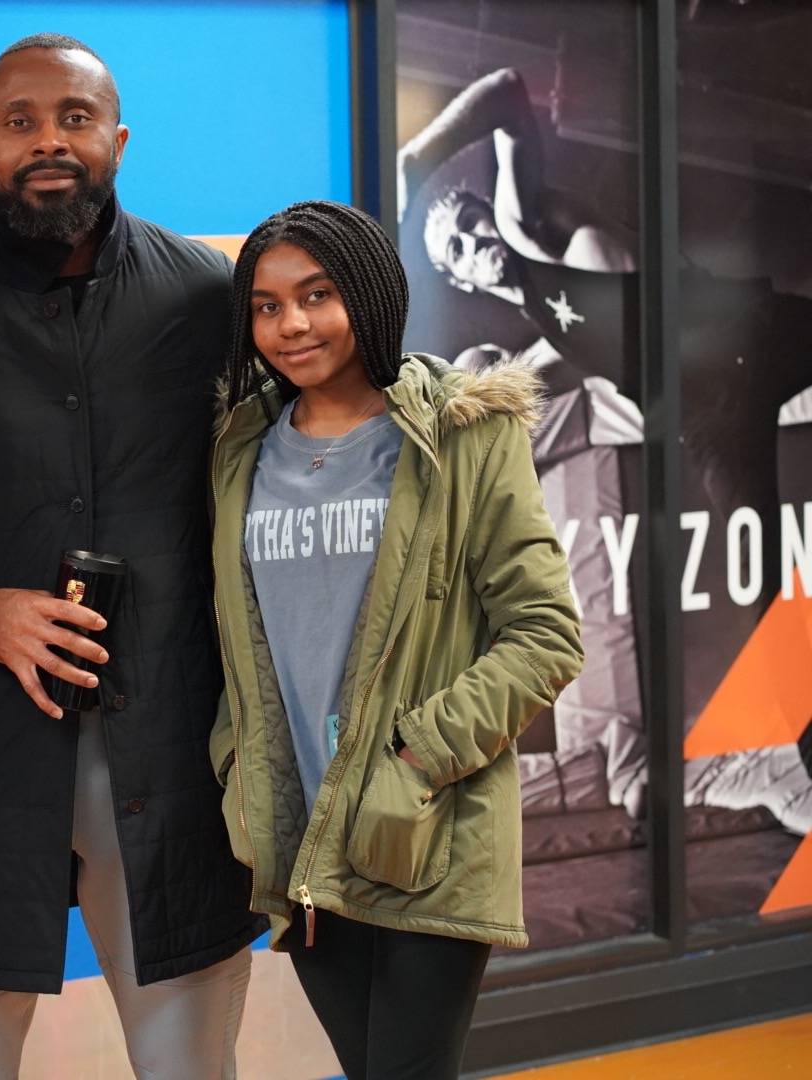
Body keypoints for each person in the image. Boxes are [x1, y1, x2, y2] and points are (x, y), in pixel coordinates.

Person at [0, 33, 263, 1080]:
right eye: (21, 122)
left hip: (174, 755)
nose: (49, 142)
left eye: (74, 119)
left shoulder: (207, 297)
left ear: (117, 139)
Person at [212, 199, 584, 1078]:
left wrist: (416, 760)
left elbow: (546, 633)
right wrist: (236, 765)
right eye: (267, 306)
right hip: (303, 836)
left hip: (424, 824)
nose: (291, 324)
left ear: (372, 295)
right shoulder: (239, 449)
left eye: (318, 295)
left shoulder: (462, 431)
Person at [400, 65, 812, 838]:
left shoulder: (529, 228)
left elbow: (508, 90)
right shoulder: (548, 338)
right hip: (717, 421)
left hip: (748, 336)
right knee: (767, 608)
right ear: (462, 278)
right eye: (457, 247)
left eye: (471, 223)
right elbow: (520, 384)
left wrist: (418, 163)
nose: (474, 241)